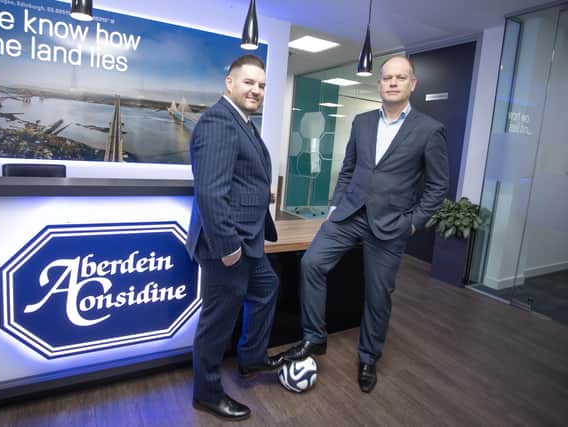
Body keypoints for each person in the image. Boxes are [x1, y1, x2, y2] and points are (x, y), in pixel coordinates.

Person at [280, 55, 449, 393]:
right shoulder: (362, 122)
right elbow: (348, 168)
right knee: (312, 263)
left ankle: (369, 356)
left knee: (377, 294)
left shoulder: (429, 131)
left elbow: (437, 187)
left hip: (391, 225)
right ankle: (314, 338)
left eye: (400, 77)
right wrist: (333, 206)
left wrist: (413, 223)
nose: (393, 82)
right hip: (349, 215)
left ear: (412, 84)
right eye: (387, 77)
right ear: (379, 83)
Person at [185, 54, 283, 421]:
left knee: (266, 287)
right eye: (249, 83)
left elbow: (236, 175)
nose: (256, 90)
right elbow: (210, 192)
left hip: (247, 237)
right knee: (218, 319)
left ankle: (252, 358)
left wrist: (261, 194)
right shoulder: (218, 122)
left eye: (261, 85)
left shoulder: (241, 122)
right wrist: (227, 248)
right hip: (226, 244)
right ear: (229, 83)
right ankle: (206, 394)